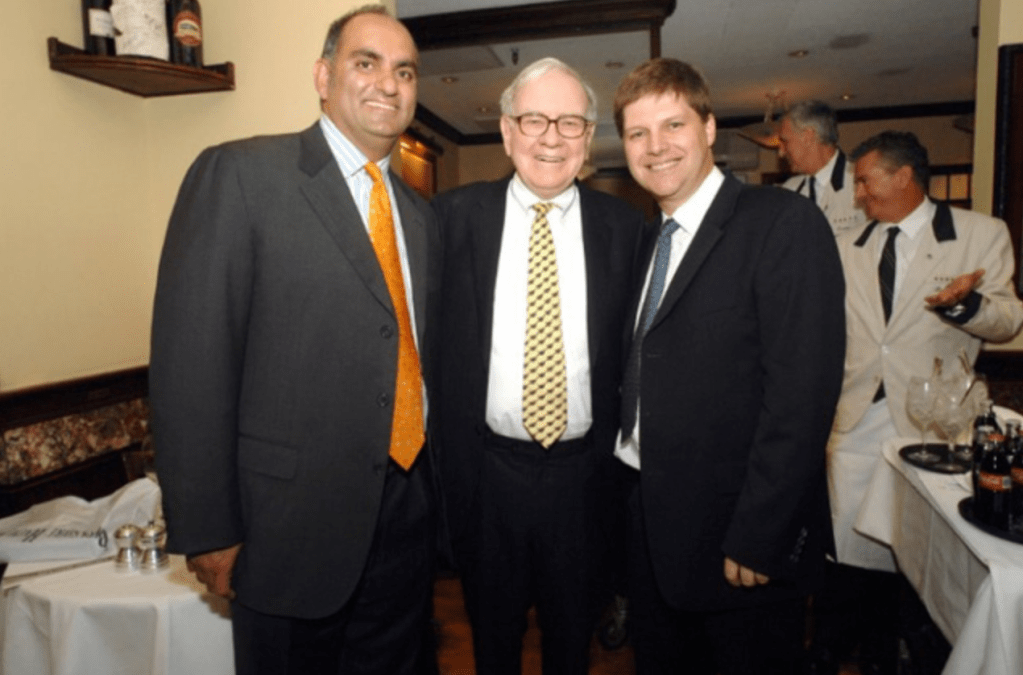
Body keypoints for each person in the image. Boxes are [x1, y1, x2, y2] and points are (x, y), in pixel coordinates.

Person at [150, 7, 441, 674]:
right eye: (365, 63)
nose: (387, 84)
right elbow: (192, 364)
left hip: (405, 520)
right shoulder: (242, 176)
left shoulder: (421, 218)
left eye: (404, 71)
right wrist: (209, 526)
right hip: (286, 529)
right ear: (323, 75)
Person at [611, 57, 846, 675]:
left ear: (709, 128)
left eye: (673, 126)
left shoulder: (782, 224)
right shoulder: (645, 241)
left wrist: (760, 533)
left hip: (738, 542)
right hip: (650, 534)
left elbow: (802, 395)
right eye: (637, 133)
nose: (655, 147)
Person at [431, 57, 646, 675]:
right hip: (487, 475)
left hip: (586, 480)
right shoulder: (451, 220)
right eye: (534, 120)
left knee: (570, 639)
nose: (551, 137)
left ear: (589, 138)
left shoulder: (627, 229)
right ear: (506, 132)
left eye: (570, 123)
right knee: (492, 640)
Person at [814, 130, 1023, 675]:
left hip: (935, 422)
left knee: (923, 547)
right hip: (857, 415)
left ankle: (920, 645)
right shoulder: (847, 248)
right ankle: (860, 646)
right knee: (852, 542)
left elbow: (1006, 319)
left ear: (903, 176)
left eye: (864, 179)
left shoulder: (980, 234)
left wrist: (966, 305)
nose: (858, 194)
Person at [777, 100, 867, 236]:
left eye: (785, 141)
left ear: (808, 136)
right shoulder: (789, 191)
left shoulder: (861, 181)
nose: (781, 152)